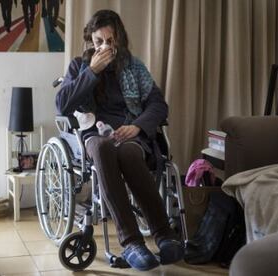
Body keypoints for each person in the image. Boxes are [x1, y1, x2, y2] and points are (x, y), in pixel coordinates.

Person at [56, 10, 184, 271]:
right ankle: (132, 242)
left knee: (126, 153)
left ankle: (164, 235)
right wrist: (91, 71)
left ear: (119, 40)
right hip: (93, 134)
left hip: (129, 134)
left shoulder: (134, 67)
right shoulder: (79, 66)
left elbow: (158, 105)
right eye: (98, 41)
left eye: (109, 41)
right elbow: (62, 105)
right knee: (103, 147)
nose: (104, 46)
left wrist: (137, 127)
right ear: (91, 41)